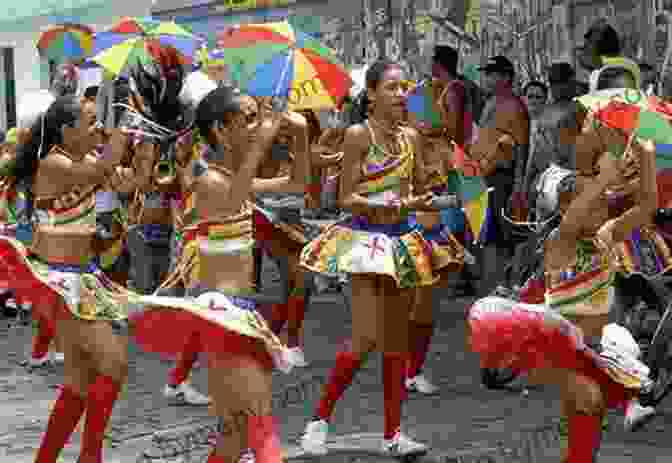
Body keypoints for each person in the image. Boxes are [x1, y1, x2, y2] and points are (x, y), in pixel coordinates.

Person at [468, 63, 662, 463]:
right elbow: (573, 213)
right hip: (563, 309)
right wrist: (604, 182)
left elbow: (645, 206)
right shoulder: (563, 232)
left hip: (598, 313)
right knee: (586, 400)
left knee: (587, 419)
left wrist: (643, 167)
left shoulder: (609, 225)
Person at [130, 85, 303, 463]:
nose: (258, 126)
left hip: (238, 313)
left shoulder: (230, 178)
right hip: (222, 316)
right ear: (222, 131)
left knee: (237, 434)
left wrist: (302, 133)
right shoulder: (210, 182)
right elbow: (237, 194)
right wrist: (266, 136)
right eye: (249, 118)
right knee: (258, 425)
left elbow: (296, 183)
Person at [300, 59, 449, 456]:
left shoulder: (412, 139)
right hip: (367, 243)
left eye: (405, 87)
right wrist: (391, 202)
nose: (401, 94)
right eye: (392, 88)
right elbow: (345, 198)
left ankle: (393, 434)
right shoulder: (356, 136)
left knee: (396, 343)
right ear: (371, 94)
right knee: (364, 339)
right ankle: (319, 419)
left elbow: (417, 191)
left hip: (402, 241)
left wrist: (430, 193)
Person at [0, 90, 151, 462]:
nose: (97, 127)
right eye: (90, 121)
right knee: (114, 364)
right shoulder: (54, 163)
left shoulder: (82, 160)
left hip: (80, 276)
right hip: (58, 281)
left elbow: (131, 183)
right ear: (66, 131)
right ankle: (91, 456)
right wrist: (126, 126)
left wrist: (147, 150)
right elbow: (104, 170)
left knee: (80, 382)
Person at [406, 45, 469, 394]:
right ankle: (408, 368)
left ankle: (412, 368)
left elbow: (454, 130)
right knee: (419, 289)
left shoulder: (450, 91)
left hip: (441, 193)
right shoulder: (416, 107)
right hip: (423, 203)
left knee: (431, 289)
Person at [468, 56, 530, 296]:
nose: (486, 78)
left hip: (503, 176)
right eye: (486, 73)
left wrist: (519, 185)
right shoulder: (490, 102)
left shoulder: (515, 106)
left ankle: (506, 284)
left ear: (505, 77)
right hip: (484, 176)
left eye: (491, 74)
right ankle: (495, 284)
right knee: (489, 234)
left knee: (506, 235)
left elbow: (521, 148)